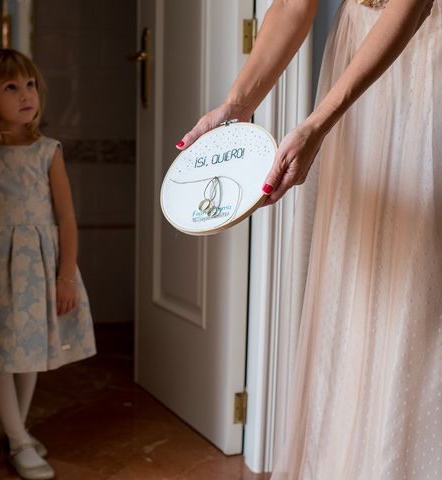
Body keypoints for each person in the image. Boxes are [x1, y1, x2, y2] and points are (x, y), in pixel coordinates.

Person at [178, 0, 440, 478]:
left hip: (427, 63)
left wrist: (317, 124)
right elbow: (293, 5)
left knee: (419, 286)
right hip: (354, 65)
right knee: (354, 277)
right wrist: (237, 107)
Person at [0, 48, 96, 480]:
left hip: (40, 266)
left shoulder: (47, 151)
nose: (25, 94)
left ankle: (18, 430)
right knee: (1, 354)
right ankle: (17, 439)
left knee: (28, 352)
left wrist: (65, 276)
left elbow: (66, 218)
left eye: (30, 84)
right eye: (11, 87)